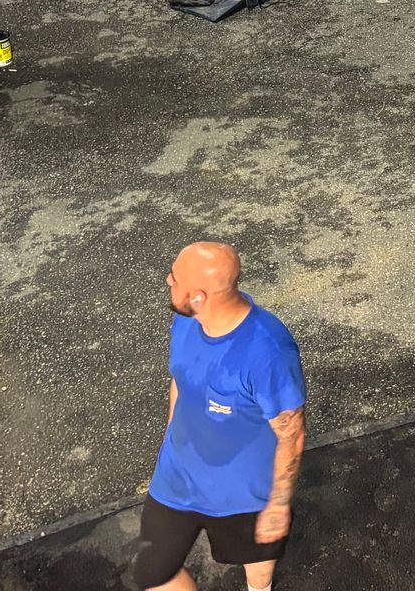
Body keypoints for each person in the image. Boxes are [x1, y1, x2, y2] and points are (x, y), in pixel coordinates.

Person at [133, 242, 307, 591]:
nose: (168, 280)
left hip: (244, 495)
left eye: (175, 279)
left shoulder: (267, 352)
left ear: (197, 296)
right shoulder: (185, 322)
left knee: (257, 573)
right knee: (152, 575)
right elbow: (180, 380)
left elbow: (291, 433)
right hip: (177, 480)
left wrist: (277, 504)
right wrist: (172, 441)